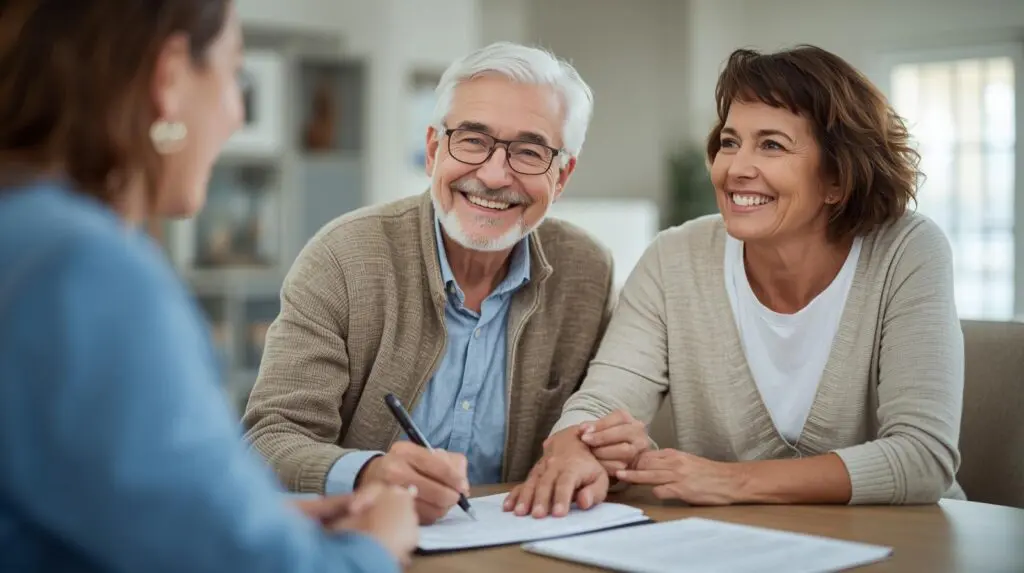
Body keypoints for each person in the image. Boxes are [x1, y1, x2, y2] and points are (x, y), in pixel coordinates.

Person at [0, 2, 418, 572]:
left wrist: (245, 517)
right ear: (169, 76)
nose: (236, 111)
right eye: (233, 75)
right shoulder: (88, 271)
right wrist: (375, 545)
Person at [505, 44, 966, 518]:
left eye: (771, 145)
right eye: (730, 142)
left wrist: (731, 480)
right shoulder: (674, 257)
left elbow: (922, 457)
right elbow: (603, 399)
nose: (735, 169)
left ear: (838, 179)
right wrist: (575, 445)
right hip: (732, 545)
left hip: (906, 541)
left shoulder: (906, 251)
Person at [241, 41, 615, 524]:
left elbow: (600, 430)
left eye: (529, 151)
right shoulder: (342, 258)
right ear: (434, 150)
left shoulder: (588, 272)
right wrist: (367, 473)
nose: (495, 174)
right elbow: (268, 438)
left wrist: (595, 455)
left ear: (561, 176)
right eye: (473, 141)